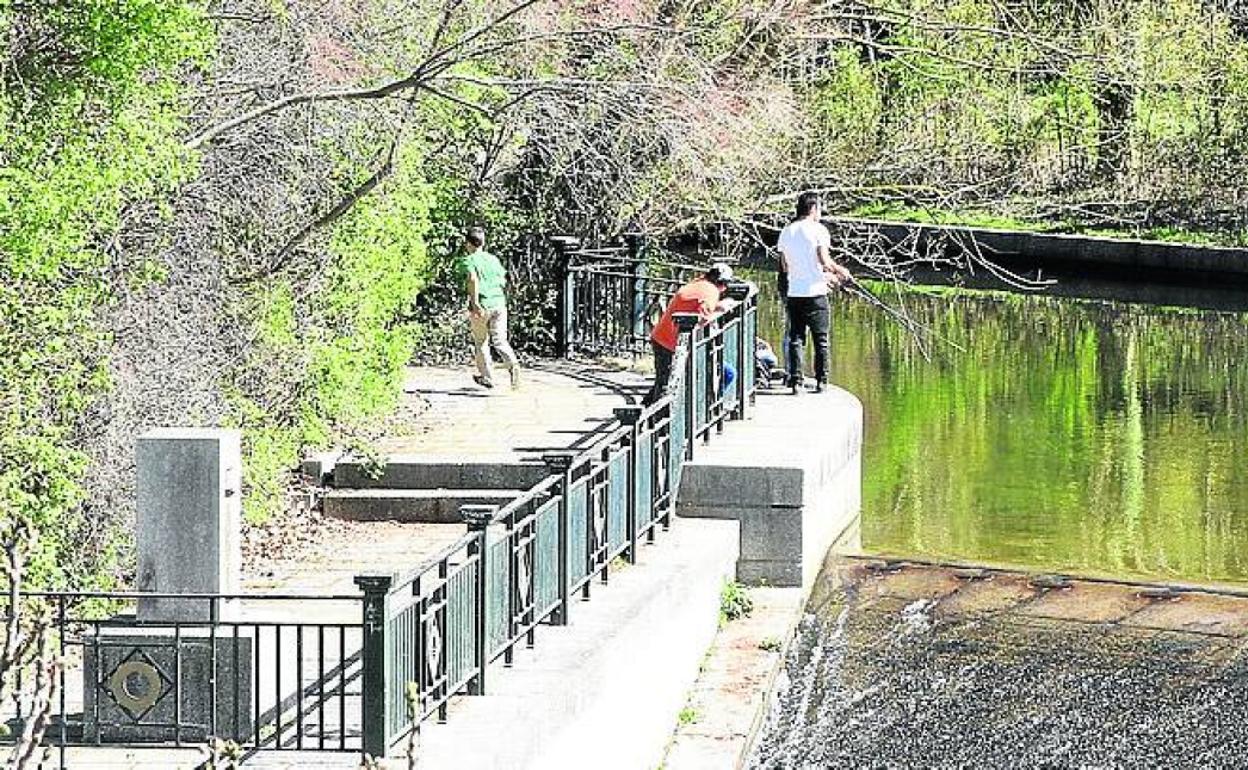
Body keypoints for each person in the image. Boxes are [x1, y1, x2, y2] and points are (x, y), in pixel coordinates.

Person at [776, 192, 852, 394]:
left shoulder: (787, 231)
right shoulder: (818, 230)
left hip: (794, 293)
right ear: (812, 209)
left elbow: (785, 266)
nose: (820, 213)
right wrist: (840, 271)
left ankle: (796, 381)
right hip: (816, 293)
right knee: (821, 339)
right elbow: (824, 260)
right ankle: (822, 380)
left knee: (796, 337)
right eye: (819, 208)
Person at [642, 263, 737, 406]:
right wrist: (720, 311)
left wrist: (717, 306)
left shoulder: (699, 283)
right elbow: (701, 319)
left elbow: (693, 304)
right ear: (722, 284)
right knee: (666, 386)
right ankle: (658, 420)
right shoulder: (711, 292)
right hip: (672, 342)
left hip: (662, 337)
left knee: (663, 382)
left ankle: (643, 413)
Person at [459, 227, 521, 390]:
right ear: (483, 242)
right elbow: (503, 279)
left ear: (468, 243)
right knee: (500, 340)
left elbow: (472, 279)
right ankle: (513, 364)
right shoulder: (493, 259)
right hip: (499, 303)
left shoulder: (469, 260)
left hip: (482, 305)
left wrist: (475, 302)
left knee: (481, 341)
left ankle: (488, 377)